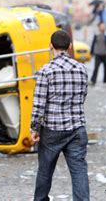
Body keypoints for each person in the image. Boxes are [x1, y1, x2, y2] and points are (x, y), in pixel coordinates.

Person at [31, 30, 89, 201]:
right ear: (70, 46)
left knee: (45, 171)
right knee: (79, 170)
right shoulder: (82, 69)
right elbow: (82, 96)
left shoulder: (46, 71)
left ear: (51, 46)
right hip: (77, 128)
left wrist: (35, 127)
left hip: (52, 130)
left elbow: (39, 103)